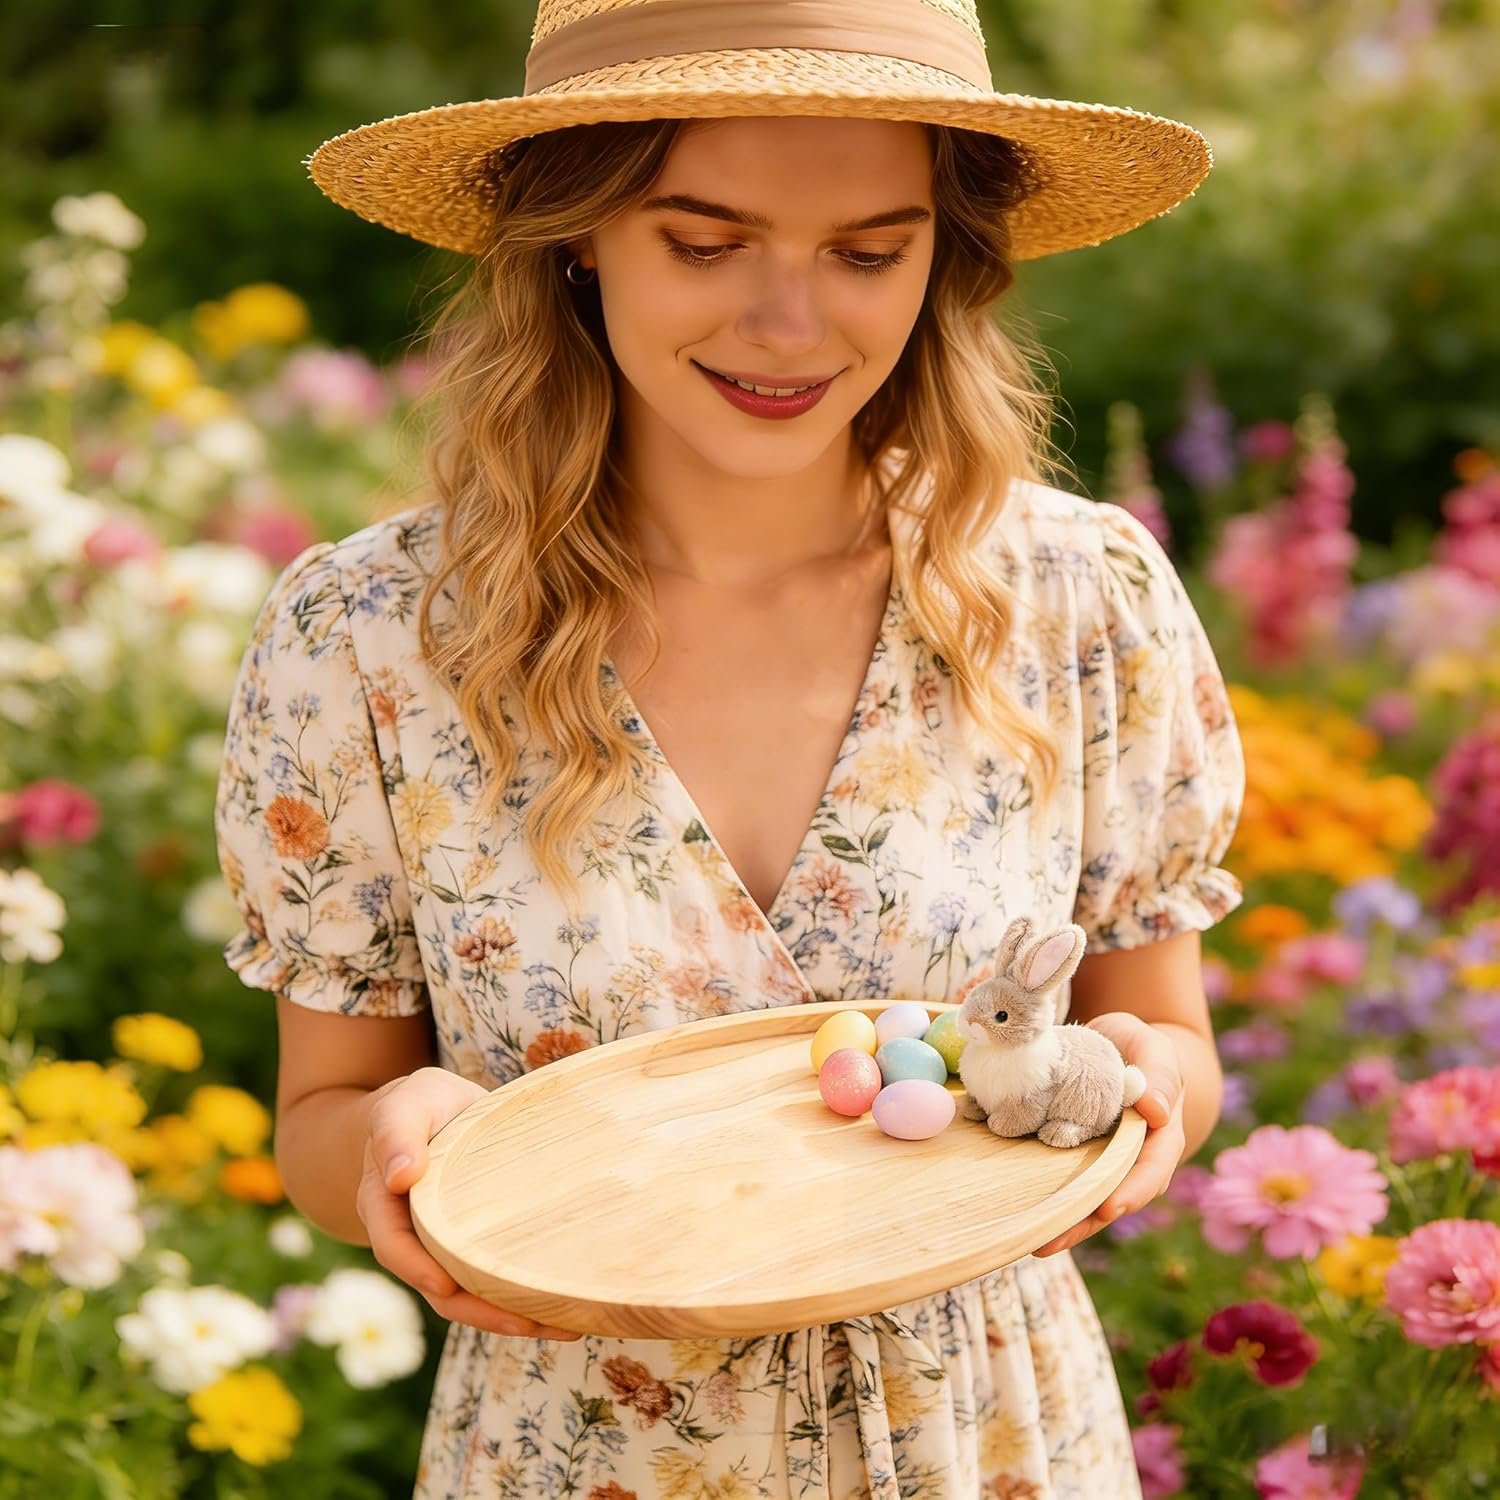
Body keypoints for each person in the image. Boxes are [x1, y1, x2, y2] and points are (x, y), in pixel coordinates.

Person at [214, 1, 1247, 1495]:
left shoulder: (1078, 600)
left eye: (868, 250)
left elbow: (1172, 1037)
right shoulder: (370, 641)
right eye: (705, 243)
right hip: (583, 1451)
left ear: (939, 260)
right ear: (576, 234)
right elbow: (324, 1115)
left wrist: (1147, 1087)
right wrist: (388, 1139)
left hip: (992, 1445)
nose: (789, 325)